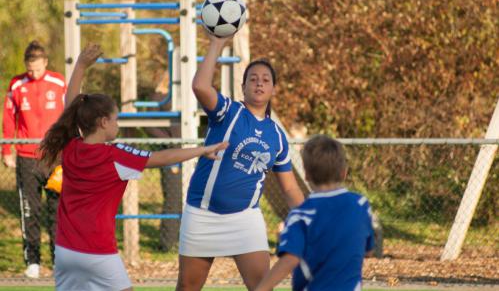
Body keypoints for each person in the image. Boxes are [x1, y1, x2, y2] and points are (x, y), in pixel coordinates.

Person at [38, 44, 228, 291]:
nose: (118, 124)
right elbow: (163, 156)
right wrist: (202, 150)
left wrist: (81, 66)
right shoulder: (115, 156)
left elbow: (69, 110)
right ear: (104, 122)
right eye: (116, 119)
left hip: (65, 251)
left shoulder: (72, 148)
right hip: (98, 254)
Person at [176, 34, 305, 291]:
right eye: (253, 79)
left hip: (245, 220)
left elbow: (289, 188)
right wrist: (217, 44)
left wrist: (314, 215)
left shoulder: (277, 136)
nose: (259, 84)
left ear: (273, 89)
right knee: (187, 288)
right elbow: (201, 87)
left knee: (261, 287)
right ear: (243, 86)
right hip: (202, 214)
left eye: (265, 80)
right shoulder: (228, 111)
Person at [255, 135, 375, 291]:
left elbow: (290, 259)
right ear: (344, 173)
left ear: (306, 175)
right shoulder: (360, 205)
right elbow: (369, 250)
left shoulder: (302, 215)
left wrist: (261, 288)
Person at [2, 41, 66, 278]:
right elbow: (9, 118)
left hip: (55, 156)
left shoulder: (59, 82)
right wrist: (7, 150)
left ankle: (60, 260)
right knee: (29, 210)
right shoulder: (17, 84)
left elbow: (70, 114)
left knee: (57, 210)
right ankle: (33, 262)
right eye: (30, 70)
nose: (34, 74)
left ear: (46, 63)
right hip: (27, 158)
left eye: (38, 69)